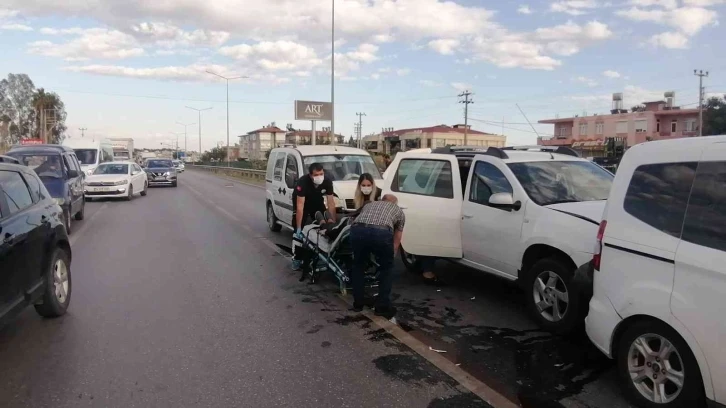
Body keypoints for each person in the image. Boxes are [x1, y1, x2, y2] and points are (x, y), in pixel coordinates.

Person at [349, 194, 405, 318]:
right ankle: (382, 307)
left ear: (382, 200)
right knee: (386, 269)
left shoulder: (369, 204)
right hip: (382, 232)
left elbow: (354, 220)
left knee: (358, 266)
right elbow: (397, 238)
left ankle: (358, 303)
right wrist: (391, 256)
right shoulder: (399, 211)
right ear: (395, 203)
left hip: (357, 230)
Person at [291, 163, 337, 271]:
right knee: (299, 231)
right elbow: (300, 207)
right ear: (311, 175)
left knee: (323, 225)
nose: (319, 177)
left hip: (317, 202)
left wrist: (333, 223)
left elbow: (331, 203)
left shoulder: (327, 181)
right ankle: (296, 259)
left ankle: (321, 254)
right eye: (316, 175)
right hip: (302, 203)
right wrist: (298, 227)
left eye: (321, 174)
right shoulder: (303, 182)